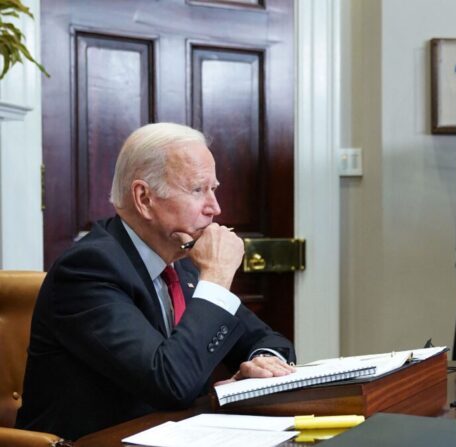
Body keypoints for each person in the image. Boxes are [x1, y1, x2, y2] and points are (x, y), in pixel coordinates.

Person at [16, 123, 296, 440]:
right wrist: (217, 276)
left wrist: (264, 363)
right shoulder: (87, 271)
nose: (215, 208)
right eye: (197, 190)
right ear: (144, 198)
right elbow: (170, 384)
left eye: (213, 189)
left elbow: (272, 343)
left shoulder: (183, 266)